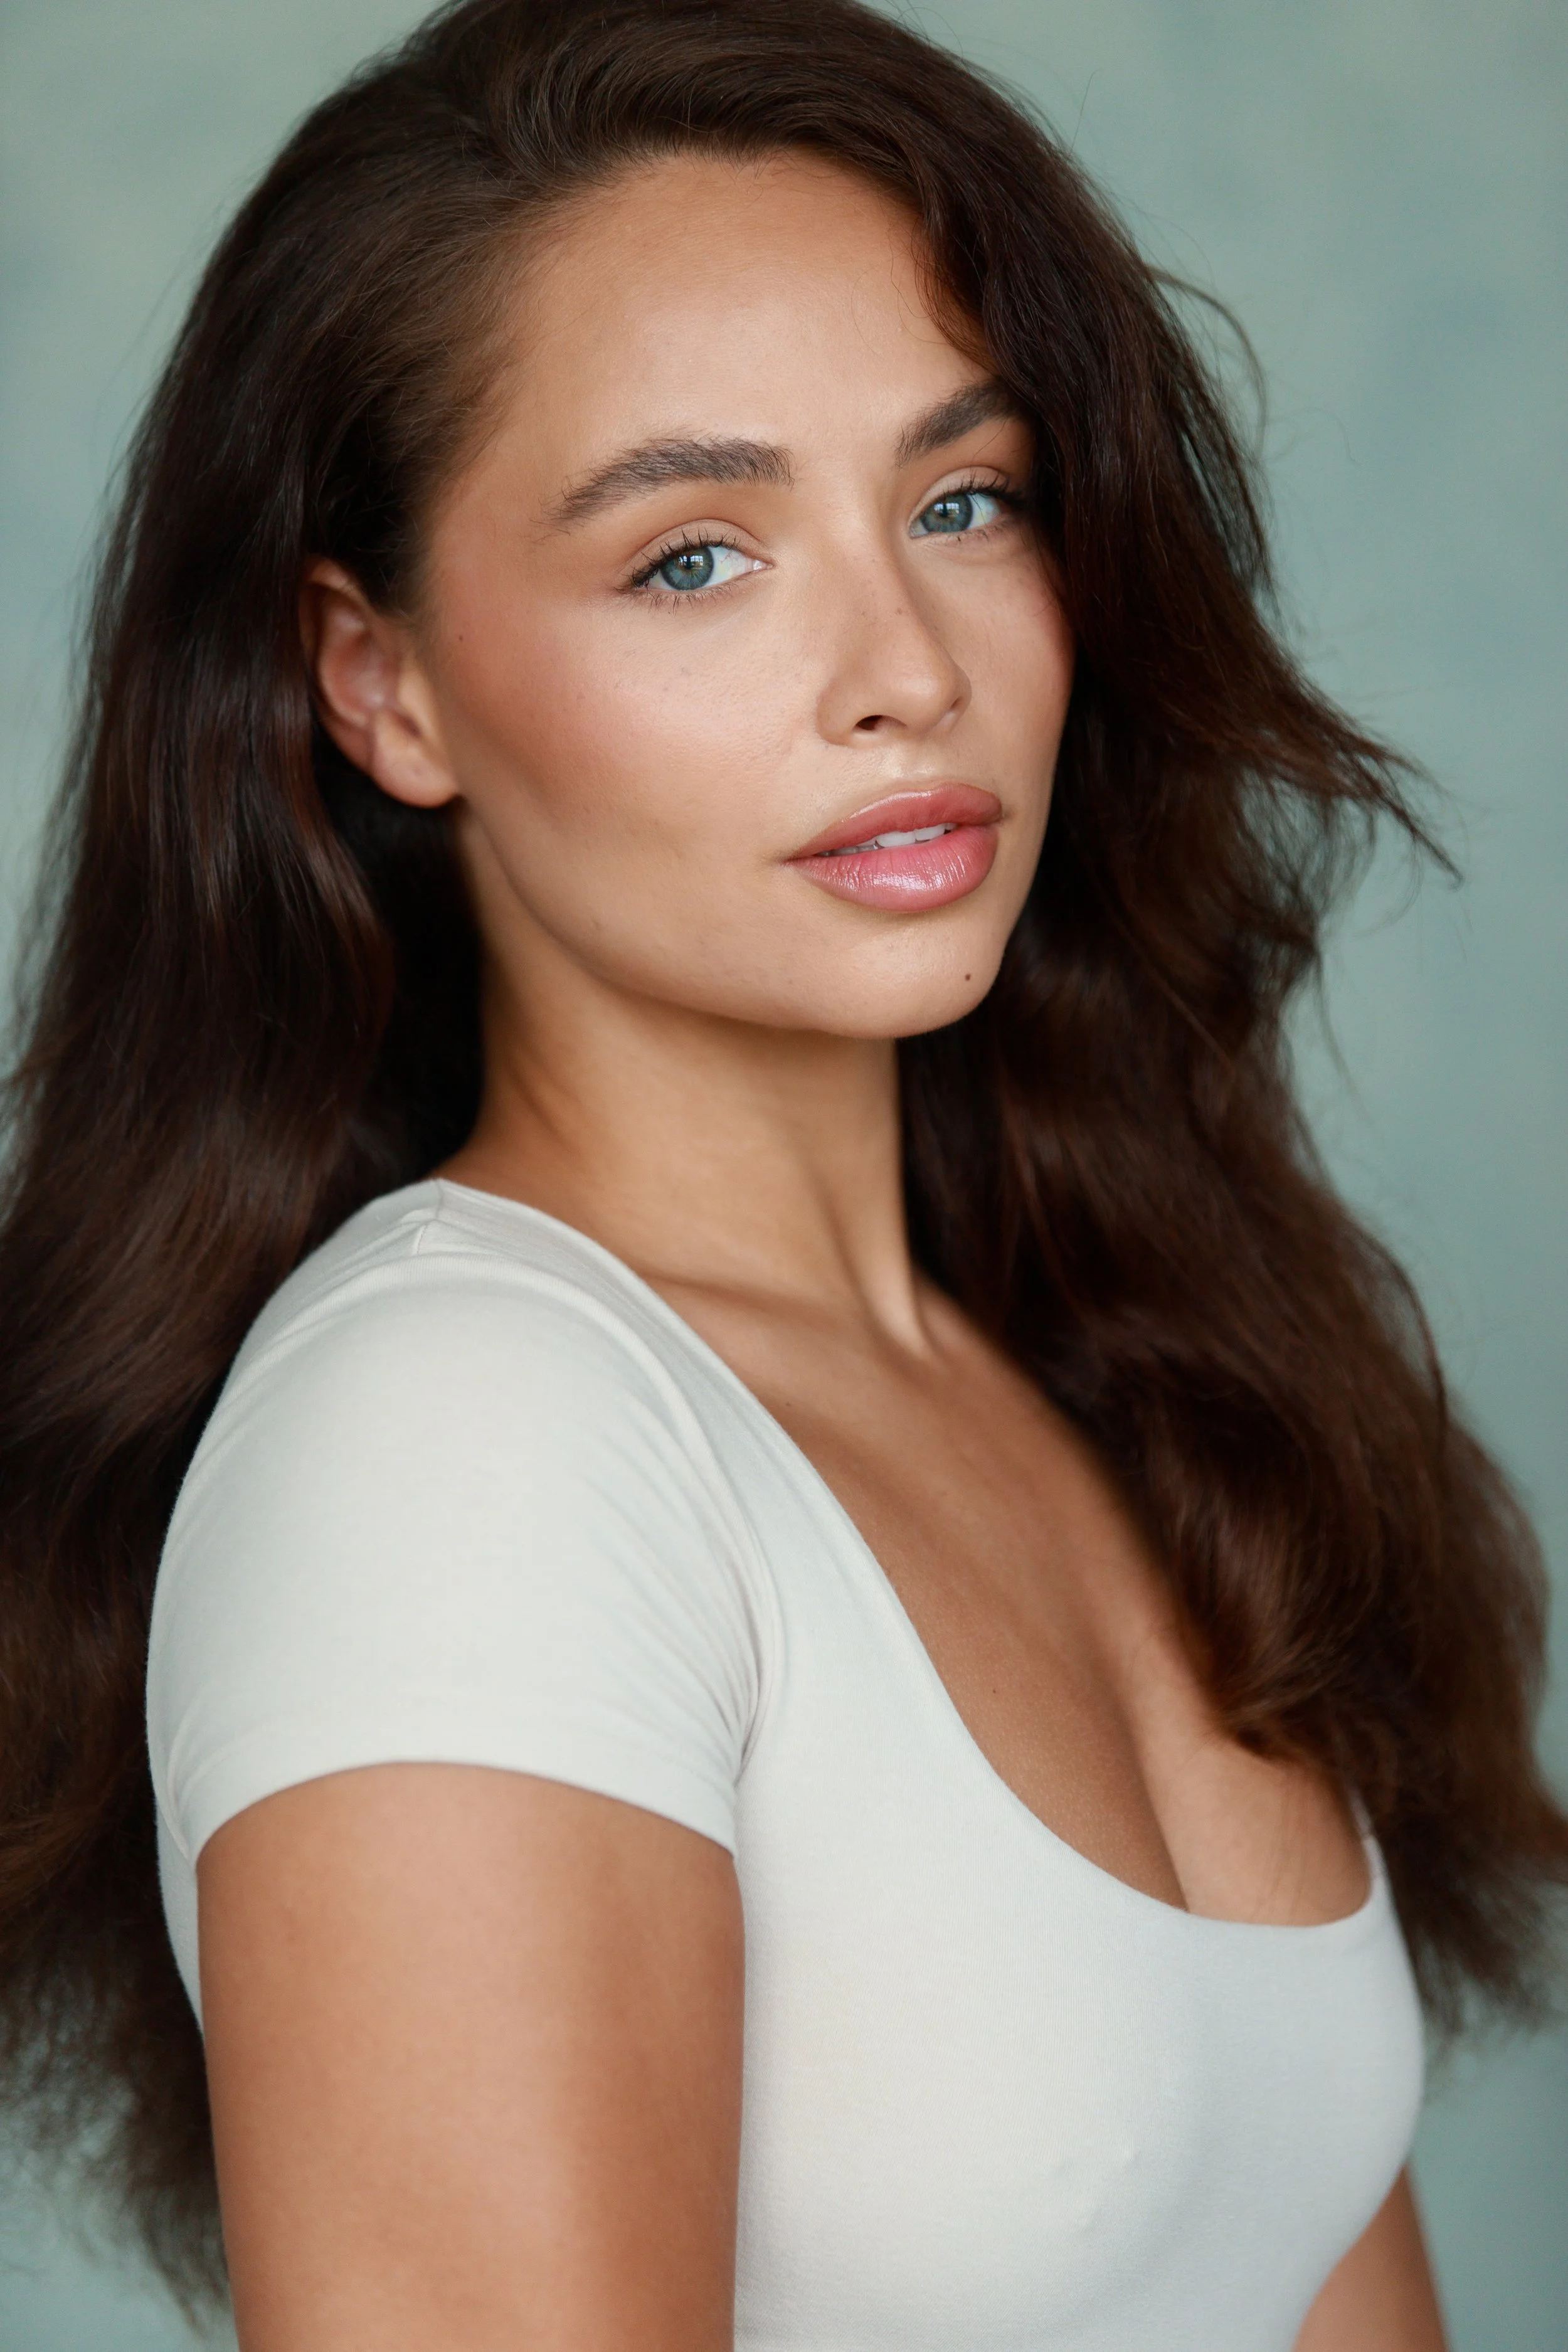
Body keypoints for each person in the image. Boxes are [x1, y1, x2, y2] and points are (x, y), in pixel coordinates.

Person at [1, 0, 1563, 2344]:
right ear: (380, 684)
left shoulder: (1102, 1349)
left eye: (962, 501)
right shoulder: (466, 1438)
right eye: (694, 557)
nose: (901, 667)